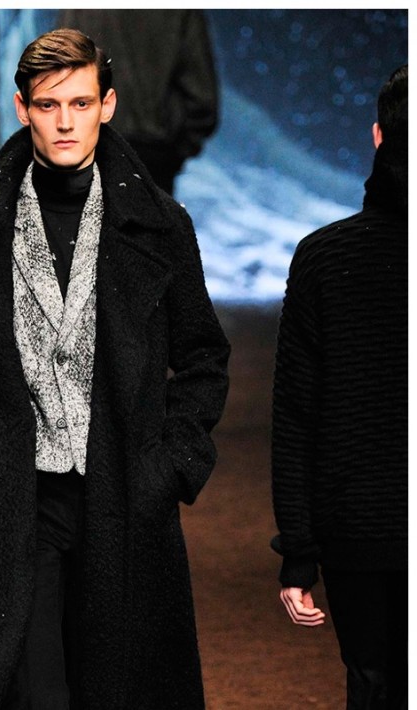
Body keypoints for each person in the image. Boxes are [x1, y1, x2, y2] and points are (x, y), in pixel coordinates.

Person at [0, 28, 230, 710]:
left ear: (107, 106)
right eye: (49, 104)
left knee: (116, 687)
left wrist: (171, 465)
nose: (65, 122)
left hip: (125, 490)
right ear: (22, 108)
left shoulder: (159, 226)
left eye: (80, 103)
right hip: (19, 496)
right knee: (34, 690)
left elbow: (204, 355)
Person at [271, 65, 407, 709]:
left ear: (378, 136)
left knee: (374, 682)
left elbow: (297, 416)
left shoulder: (324, 258)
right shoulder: (324, 259)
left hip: (357, 528)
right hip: (361, 526)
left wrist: (299, 553)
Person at [57, 10, 218, 195]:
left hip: (90, 152)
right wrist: (174, 154)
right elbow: (202, 99)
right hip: (153, 158)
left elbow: (57, 77)